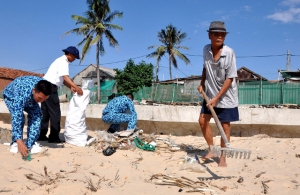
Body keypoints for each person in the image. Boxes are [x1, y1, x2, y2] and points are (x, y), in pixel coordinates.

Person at [197, 21, 239, 167]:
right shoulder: (206, 50)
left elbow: (230, 78)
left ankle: (223, 157)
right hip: (210, 94)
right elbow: (205, 68)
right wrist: (202, 83)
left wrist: (217, 98)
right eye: (216, 34)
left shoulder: (229, 53)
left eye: (222, 34)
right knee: (202, 121)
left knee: (225, 127)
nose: (219, 36)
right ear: (209, 35)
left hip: (226, 97)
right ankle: (212, 150)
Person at [38, 46, 83, 143]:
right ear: (70, 54)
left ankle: (41, 135)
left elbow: (62, 80)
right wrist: (77, 87)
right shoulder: (64, 61)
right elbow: (65, 77)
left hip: (44, 86)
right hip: (50, 87)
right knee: (55, 113)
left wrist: (71, 87)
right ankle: (54, 137)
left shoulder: (59, 60)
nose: (74, 59)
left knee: (45, 113)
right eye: (74, 57)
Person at [2, 76, 52, 157]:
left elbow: (39, 98)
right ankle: (15, 143)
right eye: (40, 98)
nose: (41, 101)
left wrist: (29, 145)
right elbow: (16, 116)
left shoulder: (45, 85)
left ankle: (30, 144)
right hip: (11, 95)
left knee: (37, 115)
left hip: (30, 97)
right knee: (20, 118)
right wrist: (19, 141)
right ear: (34, 90)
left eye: (44, 99)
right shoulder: (21, 93)